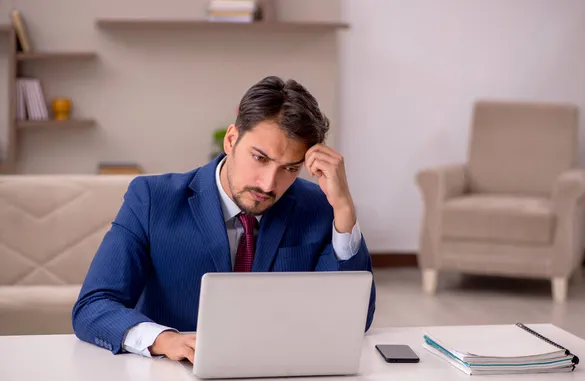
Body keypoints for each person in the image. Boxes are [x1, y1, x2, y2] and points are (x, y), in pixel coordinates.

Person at [72, 76, 376, 364]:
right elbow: (93, 305)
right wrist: (163, 340)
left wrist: (345, 210)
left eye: (290, 169)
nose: (269, 184)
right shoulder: (152, 200)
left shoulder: (318, 207)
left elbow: (353, 320)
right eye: (260, 158)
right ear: (231, 140)